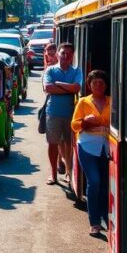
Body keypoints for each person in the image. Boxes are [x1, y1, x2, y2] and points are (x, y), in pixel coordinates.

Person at [71, 70, 111, 237]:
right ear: (89, 85)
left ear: (106, 85)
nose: (98, 85)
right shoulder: (83, 101)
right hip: (87, 146)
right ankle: (94, 222)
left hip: (107, 147)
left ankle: (106, 218)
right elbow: (74, 125)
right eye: (95, 83)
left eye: (101, 82)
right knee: (94, 182)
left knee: (105, 185)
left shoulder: (112, 101)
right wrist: (85, 122)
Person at [43, 42, 82, 185]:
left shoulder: (76, 71)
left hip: (71, 113)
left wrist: (58, 84)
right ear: (58, 54)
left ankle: (68, 172)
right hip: (53, 112)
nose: (65, 56)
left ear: (72, 56)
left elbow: (76, 88)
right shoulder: (50, 70)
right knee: (53, 144)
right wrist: (68, 89)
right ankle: (53, 174)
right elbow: (48, 88)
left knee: (69, 144)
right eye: (63, 53)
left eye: (69, 54)